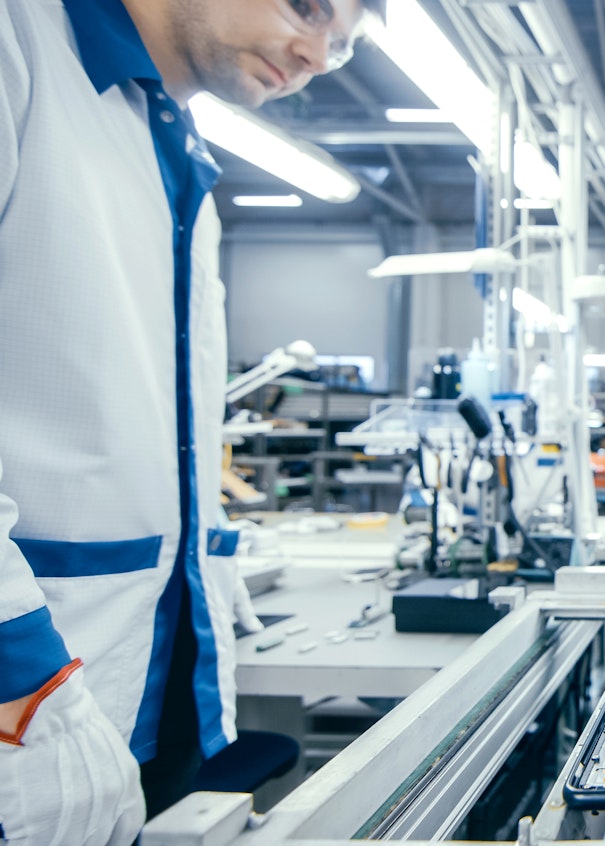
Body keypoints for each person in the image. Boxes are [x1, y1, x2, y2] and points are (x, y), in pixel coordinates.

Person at [0, 0, 381, 842]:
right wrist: (15, 664)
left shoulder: (173, 150)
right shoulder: (19, 44)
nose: (318, 52)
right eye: (308, 7)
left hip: (144, 690)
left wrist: (202, 569)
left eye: (346, 44)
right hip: (25, 686)